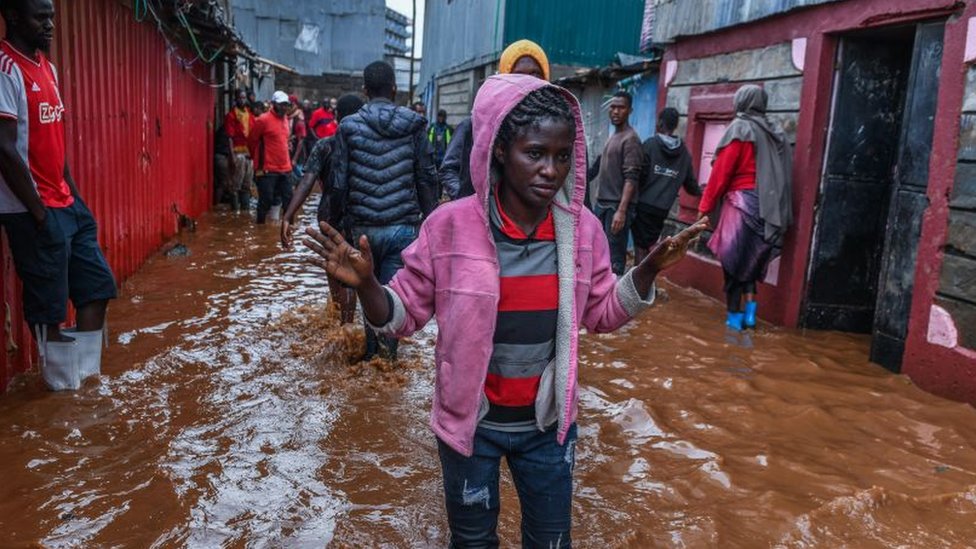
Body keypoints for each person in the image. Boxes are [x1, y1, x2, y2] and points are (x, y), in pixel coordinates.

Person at [304, 74, 708, 547]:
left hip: (547, 427)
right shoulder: (449, 228)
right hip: (469, 428)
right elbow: (402, 316)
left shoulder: (582, 232)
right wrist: (370, 283)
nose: (550, 171)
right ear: (499, 149)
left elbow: (599, 313)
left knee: (550, 540)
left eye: (561, 157)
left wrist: (647, 272)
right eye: (534, 153)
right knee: (473, 541)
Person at [0, 0, 117, 390]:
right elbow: (4, 148)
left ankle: (85, 382)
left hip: (67, 203)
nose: (50, 25)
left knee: (97, 288)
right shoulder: (5, 68)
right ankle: (61, 393)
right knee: (48, 308)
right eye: (41, 17)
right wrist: (38, 212)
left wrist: (77, 201)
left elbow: (55, 141)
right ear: (14, 16)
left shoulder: (47, 67)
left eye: (52, 17)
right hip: (31, 209)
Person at [330, 60, 438, 360]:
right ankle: (387, 361)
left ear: (365, 91)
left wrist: (336, 225)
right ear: (395, 89)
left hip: (361, 228)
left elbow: (338, 183)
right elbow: (427, 176)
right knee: (394, 294)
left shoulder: (348, 127)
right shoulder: (415, 124)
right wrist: (433, 224)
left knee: (367, 289)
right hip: (403, 228)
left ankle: (369, 356)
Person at [698, 84, 793, 331]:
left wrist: (705, 207)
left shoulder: (740, 128)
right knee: (751, 262)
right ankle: (751, 316)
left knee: (733, 263)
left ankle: (733, 322)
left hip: (741, 205)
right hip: (767, 208)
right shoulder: (774, 132)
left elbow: (721, 173)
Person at [281, 94, 364, 323]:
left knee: (334, 267)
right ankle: (349, 326)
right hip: (361, 217)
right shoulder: (370, 147)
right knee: (354, 271)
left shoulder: (325, 145)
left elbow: (306, 183)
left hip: (329, 216)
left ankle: (342, 323)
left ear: (336, 117)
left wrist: (288, 215)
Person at [440, 39, 550, 200]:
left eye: (535, 74)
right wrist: (467, 202)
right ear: (505, 78)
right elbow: (448, 169)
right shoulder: (476, 125)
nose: (528, 82)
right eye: (518, 75)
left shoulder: (560, 128)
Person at [633, 107, 700, 265]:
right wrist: (704, 191)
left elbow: (639, 176)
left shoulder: (650, 144)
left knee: (640, 248)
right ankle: (645, 284)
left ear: (660, 123)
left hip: (643, 205)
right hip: (662, 209)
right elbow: (691, 185)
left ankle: (639, 286)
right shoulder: (684, 153)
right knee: (649, 246)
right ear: (675, 126)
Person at [590, 90, 643, 275]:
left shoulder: (631, 140)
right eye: (613, 107)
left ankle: (614, 299)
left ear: (630, 110)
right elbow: (595, 169)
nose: (615, 111)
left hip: (616, 208)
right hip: (602, 204)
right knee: (598, 252)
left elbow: (632, 178)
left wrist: (621, 211)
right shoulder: (613, 136)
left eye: (621, 108)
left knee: (615, 258)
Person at [248, 90, 293, 224]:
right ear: (274, 104)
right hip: (267, 168)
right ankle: (260, 228)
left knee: (290, 201)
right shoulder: (263, 120)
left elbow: (284, 140)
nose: (285, 107)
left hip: (285, 167)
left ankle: (288, 229)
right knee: (265, 200)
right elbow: (252, 141)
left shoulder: (285, 119)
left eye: (286, 104)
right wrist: (256, 162)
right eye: (282, 104)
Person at [222, 89, 256, 211]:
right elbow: (229, 138)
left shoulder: (250, 115)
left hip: (249, 155)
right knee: (235, 185)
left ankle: (245, 213)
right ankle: (235, 212)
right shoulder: (231, 116)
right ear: (236, 99)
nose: (242, 100)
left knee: (247, 185)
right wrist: (231, 156)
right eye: (240, 98)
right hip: (238, 153)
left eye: (244, 98)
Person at [287, 94, 307, 170]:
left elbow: (301, 140)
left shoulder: (299, 118)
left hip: (297, 152)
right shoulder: (287, 116)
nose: (288, 107)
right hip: (289, 149)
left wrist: (295, 158)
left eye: (290, 104)